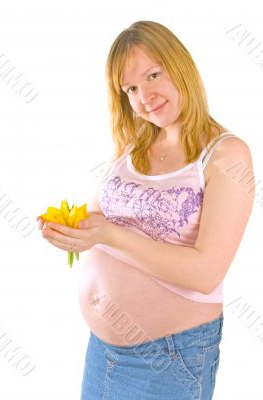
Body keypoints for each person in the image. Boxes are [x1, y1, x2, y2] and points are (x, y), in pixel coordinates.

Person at [38, 20, 255, 399]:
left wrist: (108, 235)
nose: (144, 96)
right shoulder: (134, 145)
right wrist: (73, 232)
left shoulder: (226, 155)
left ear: (181, 65)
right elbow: (99, 219)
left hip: (167, 359)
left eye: (153, 75)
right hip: (101, 351)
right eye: (131, 88)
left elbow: (206, 272)